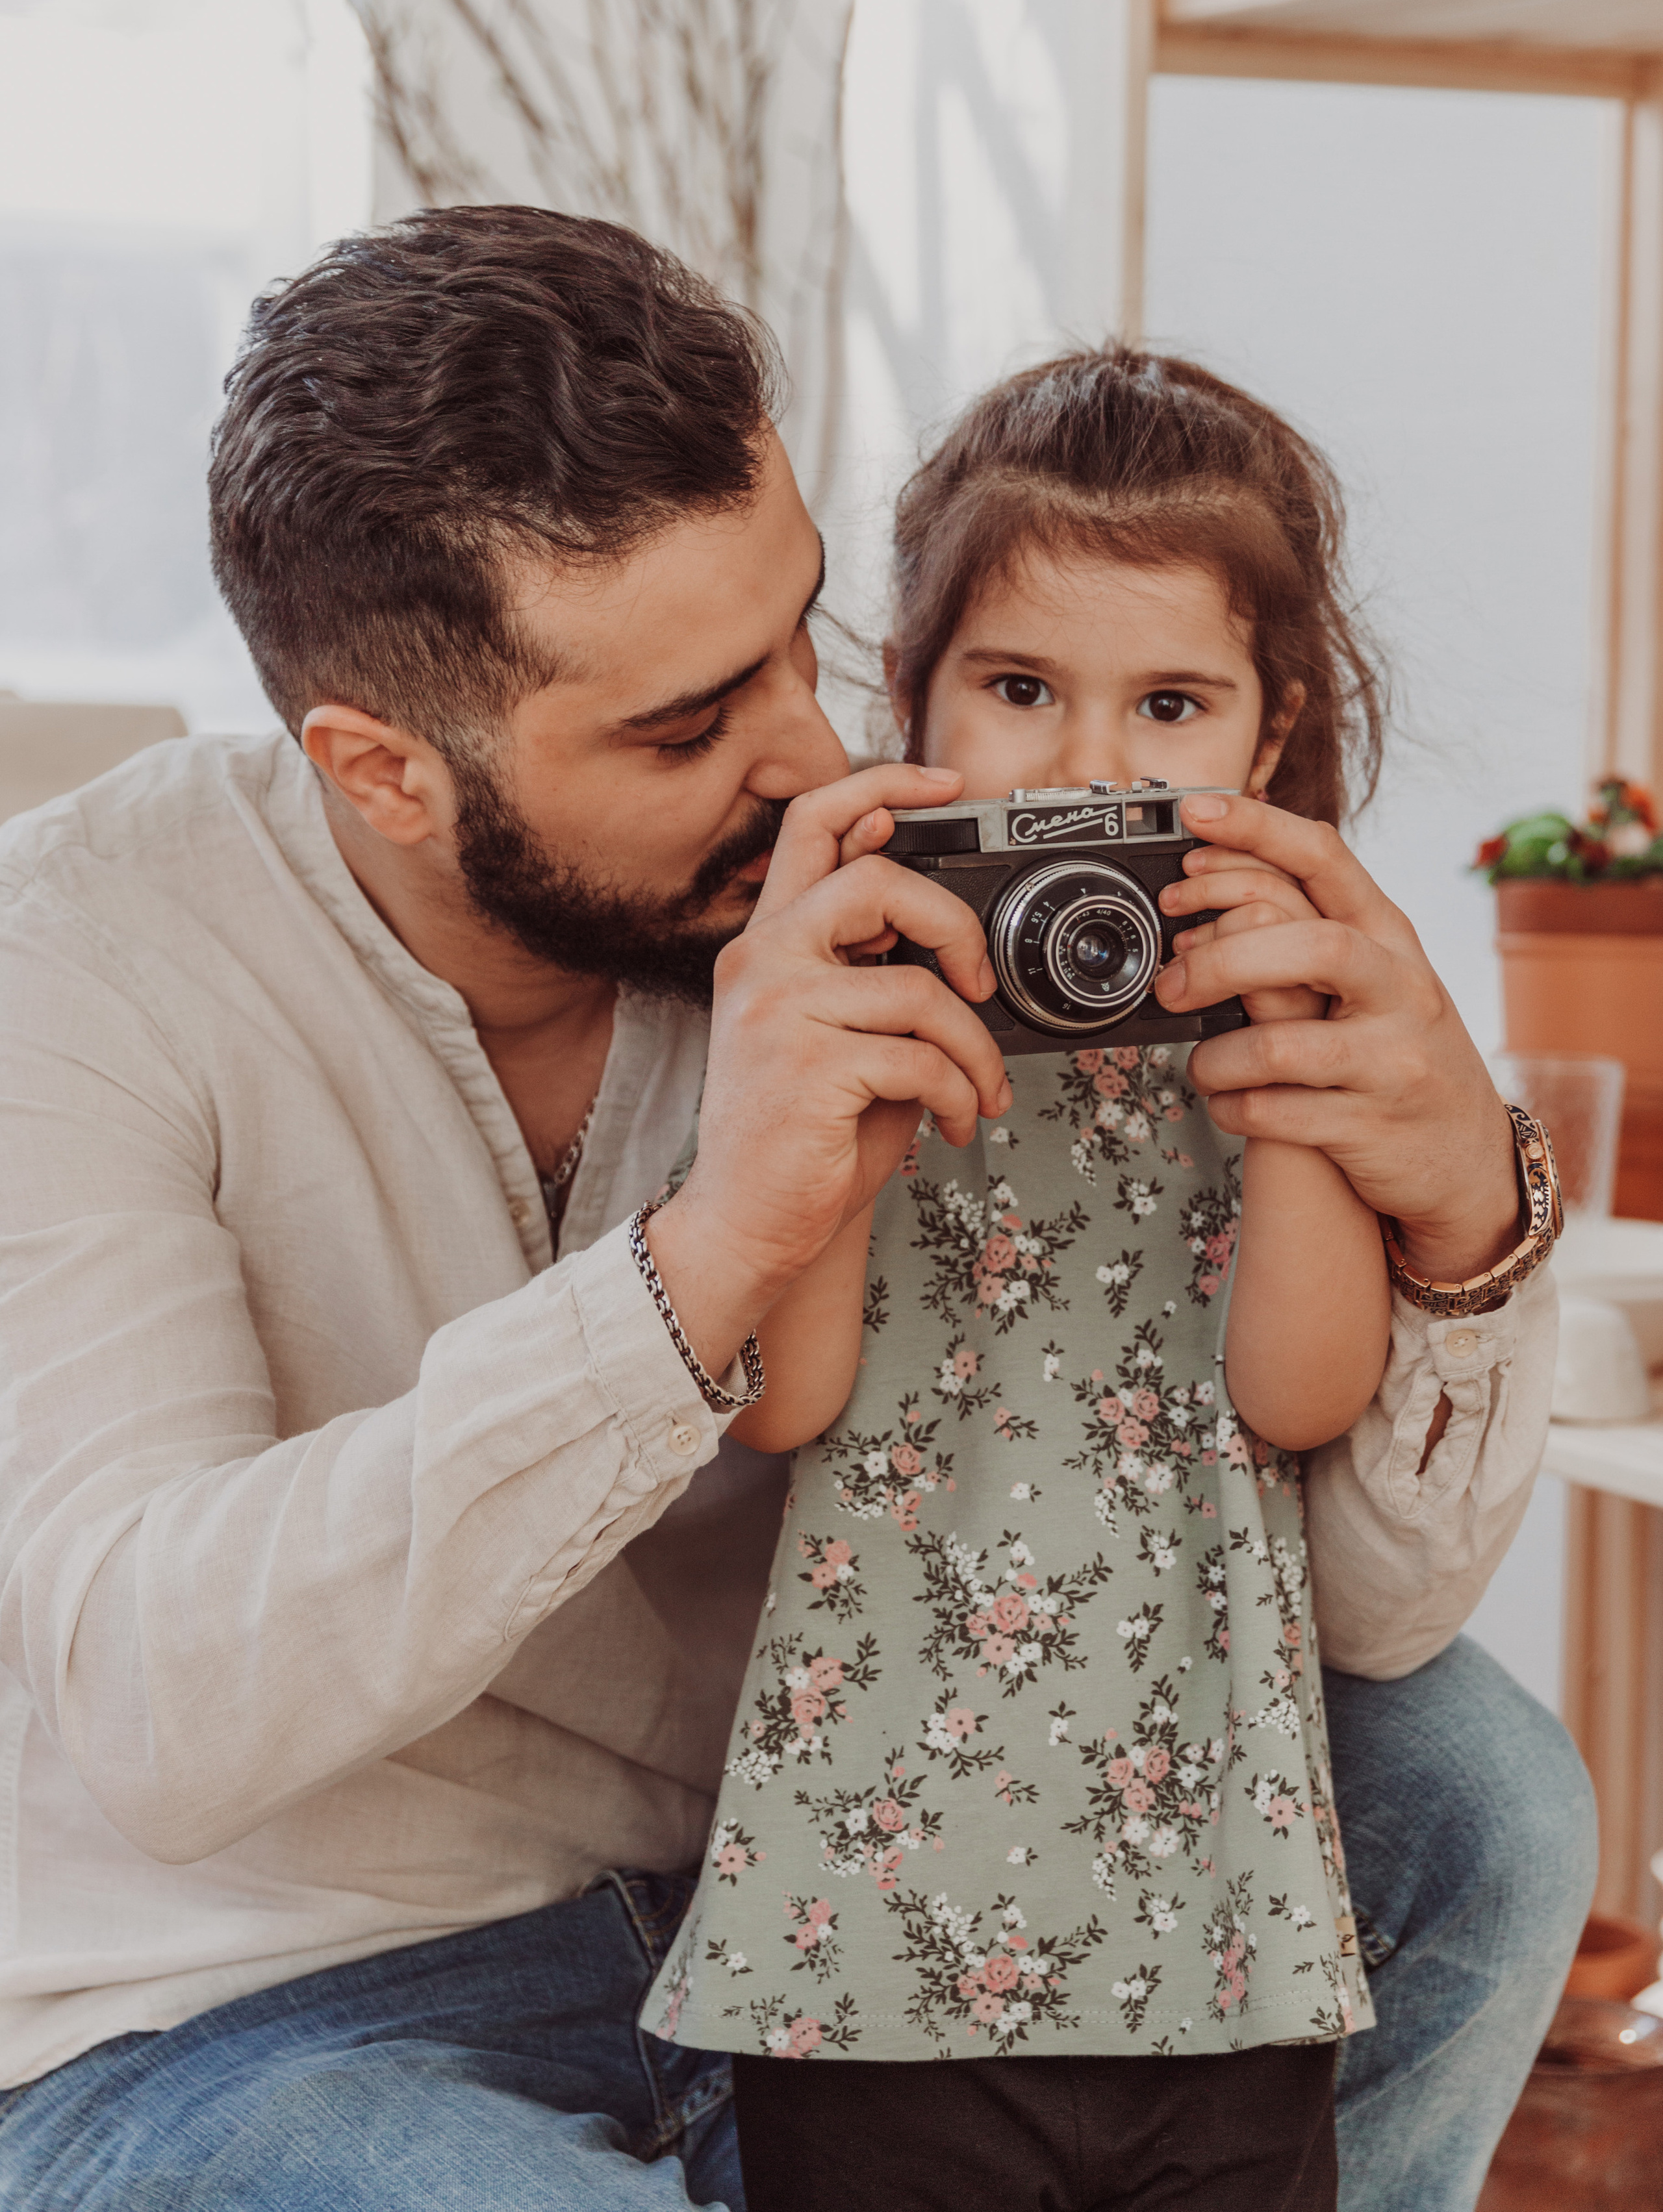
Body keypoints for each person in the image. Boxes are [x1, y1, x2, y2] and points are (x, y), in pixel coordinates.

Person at [0, 208, 1590, 2212]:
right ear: (384, 772)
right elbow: (155, 1706)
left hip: (816, 1877)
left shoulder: (925, 926)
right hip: (273, 2000)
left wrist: (1465, 1220)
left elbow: (1364, 1609)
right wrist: (707, 1257)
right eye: (686, 724)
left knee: (1482, 1805)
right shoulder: (76, 963)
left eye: (802, 639)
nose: (815, 755)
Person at [639, 347, 1567, 2212]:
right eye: (1018, 690)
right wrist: (840, 1107)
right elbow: (781, 1401)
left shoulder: (1295, 1040)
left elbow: (1299, 1395)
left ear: (1266, 741)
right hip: (872, 1927)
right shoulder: (849, 1011)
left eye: (1168, 704)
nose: (1087, 768)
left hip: (1212, 1924)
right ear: (910, 701)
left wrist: (1285, 1079)